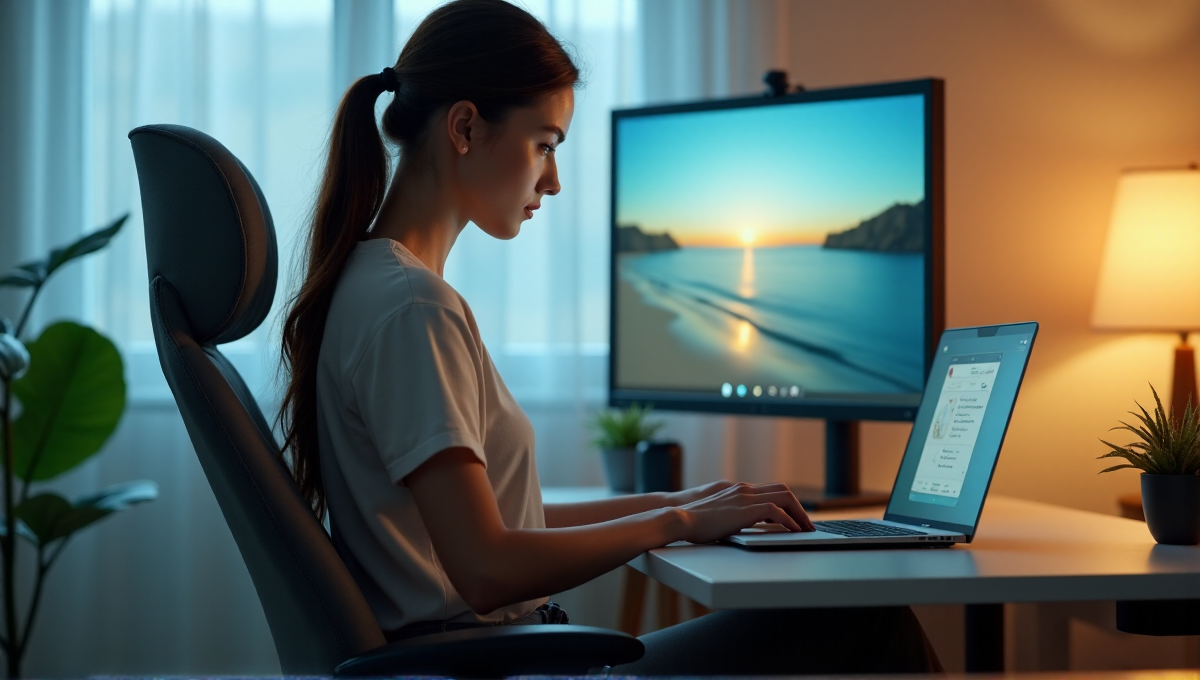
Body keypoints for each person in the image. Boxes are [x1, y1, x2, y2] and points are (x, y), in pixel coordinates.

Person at [279, 0, 941, 673]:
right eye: (544, 144)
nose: (554, 181)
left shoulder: (373, 281)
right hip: (499, 665)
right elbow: (485, 569)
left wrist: (680, 501)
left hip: (485, 656)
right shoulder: (413, 305)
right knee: (866, 619)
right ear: (465, 127)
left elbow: (511, 529)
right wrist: (677, 524)